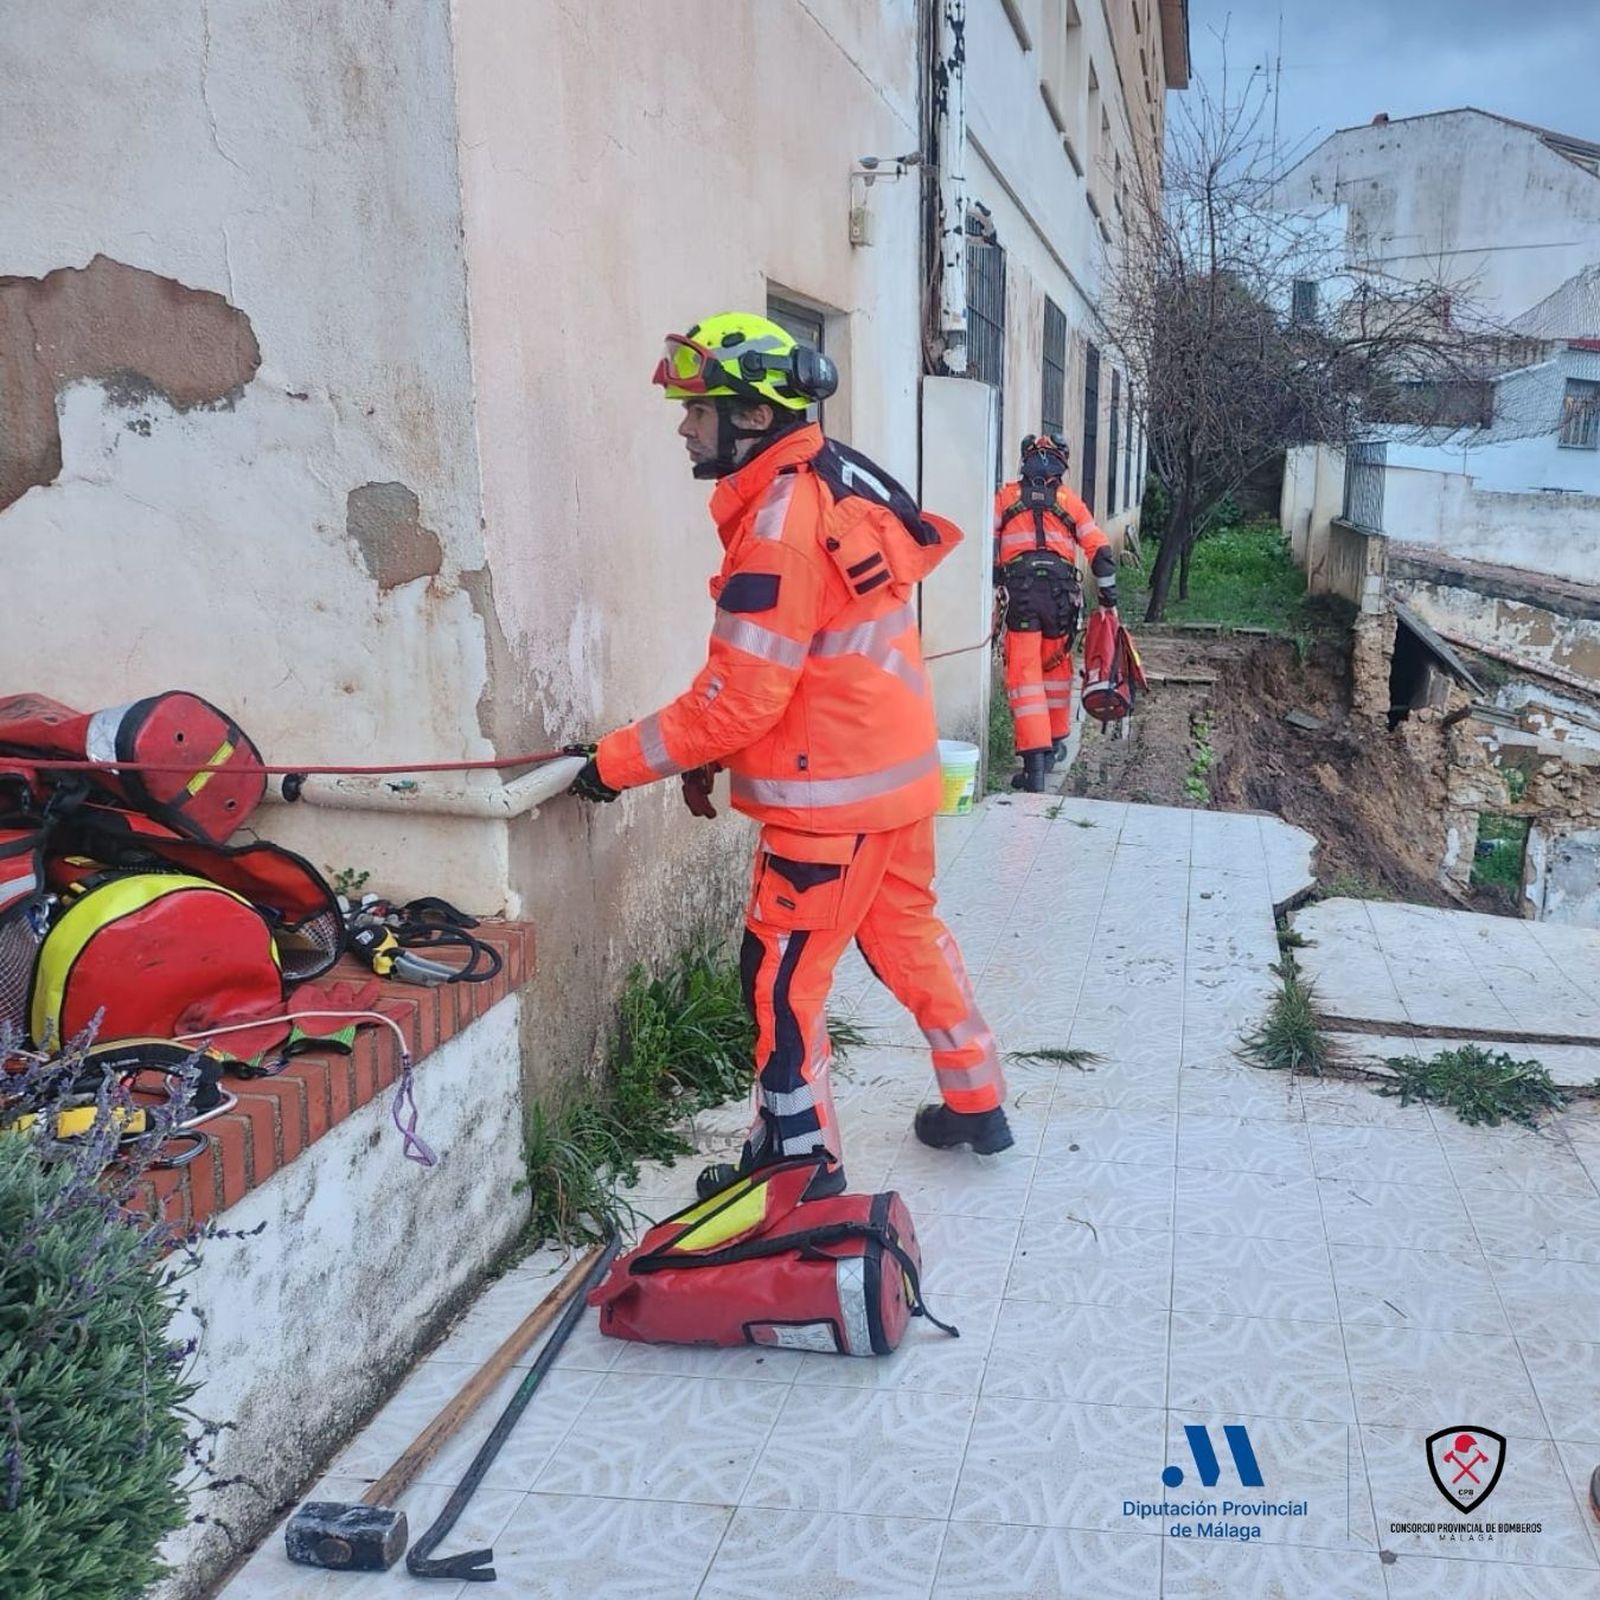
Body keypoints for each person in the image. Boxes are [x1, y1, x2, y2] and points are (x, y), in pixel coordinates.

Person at [567, 311, 1012, 1198]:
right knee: (912, 941)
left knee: (778, 984)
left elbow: (739, 698)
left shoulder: (777, 525)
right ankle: (978, 1100)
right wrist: (708, 752)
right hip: (894, 781)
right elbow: (797, 670)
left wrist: (611, 765)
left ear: (757, 417)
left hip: (828, 806)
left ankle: (797, 1164)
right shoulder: (832, 479)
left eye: (701, 410)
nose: (685, 427)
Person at [993, 434, 1118, 792]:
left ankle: (1033, 761)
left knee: (1025, 675)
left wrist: (995, 580)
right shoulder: (1071, 503)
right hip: (1061, 596)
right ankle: (1054, 743)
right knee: (1056, 670)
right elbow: (1100, 552)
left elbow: (988, 545)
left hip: (1021, 594)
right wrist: (1108, 599)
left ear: (1025, 461)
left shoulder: (1004, 498)